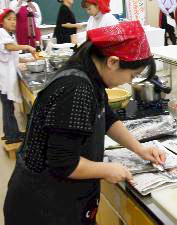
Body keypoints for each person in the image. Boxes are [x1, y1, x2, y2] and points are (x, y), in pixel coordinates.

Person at [4, 21, 166, 225]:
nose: (127, 82)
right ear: (113, 62)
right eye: (131, 76)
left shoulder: (91, 75)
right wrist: (107, 169)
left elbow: (106, 118)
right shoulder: (76, 89)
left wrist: (140, 149)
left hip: (63, 200)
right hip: (43, 207)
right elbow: (63, 163)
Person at [0, 8, 36, 144]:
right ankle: (12, 137)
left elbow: (12, 56)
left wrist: (27, 60)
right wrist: (27, 47)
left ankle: (9, 132)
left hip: (7, 76)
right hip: (4, 78)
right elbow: (9, 48)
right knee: (8, 107)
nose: (13, 22)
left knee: (8, 107)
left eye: (14, 19)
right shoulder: (1, 32)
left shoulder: (9, 35)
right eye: (9, 19)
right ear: (2, 21)